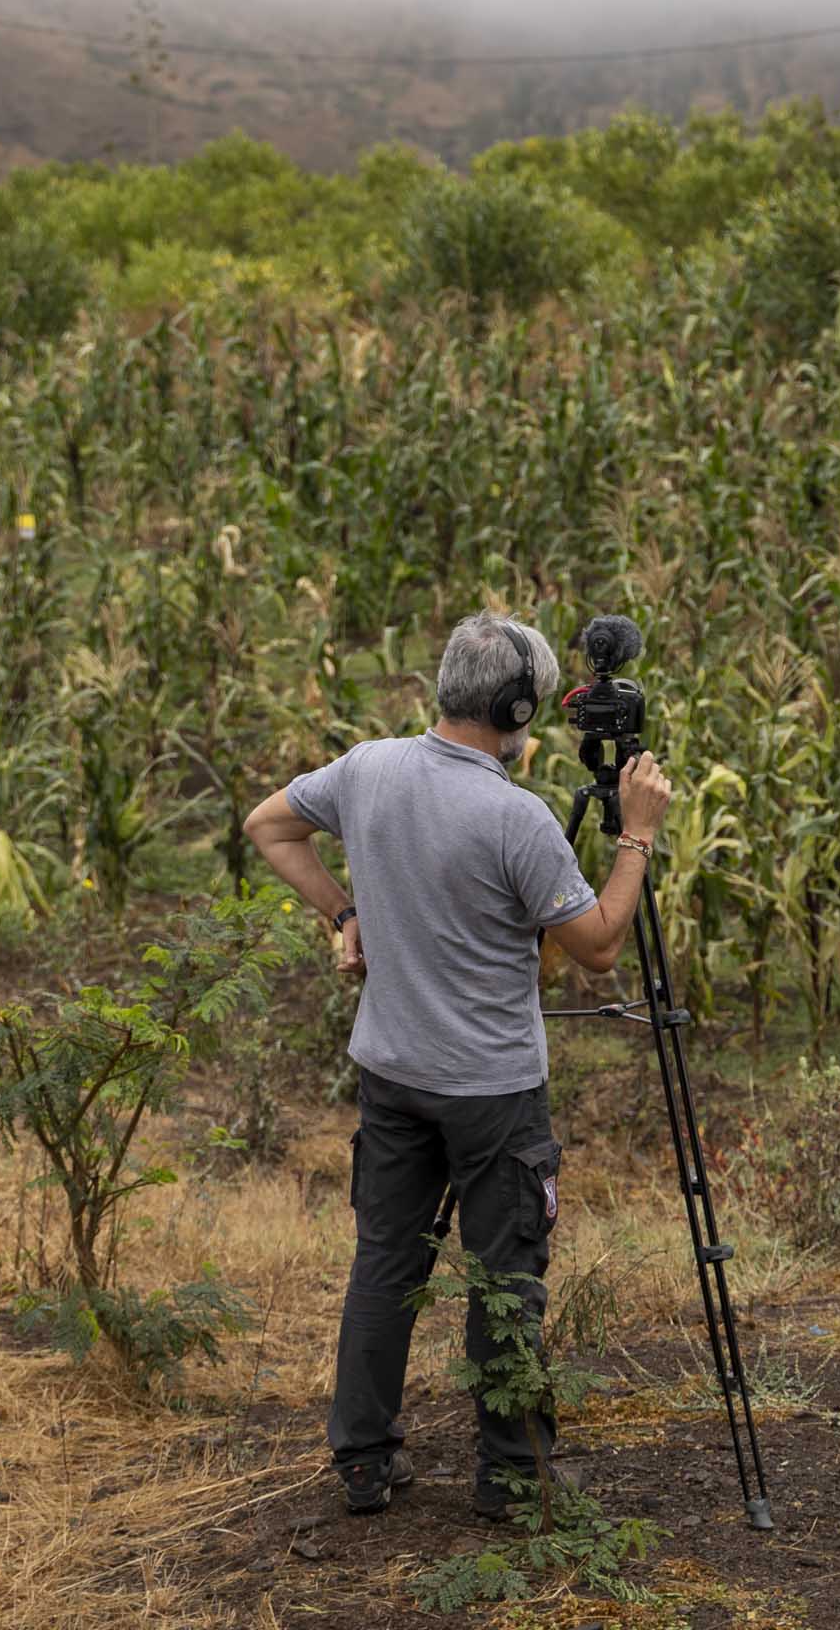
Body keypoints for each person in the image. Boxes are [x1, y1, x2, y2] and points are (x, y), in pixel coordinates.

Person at [244, 609, 673, 1521]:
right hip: (493, 1094)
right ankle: (513, 1479)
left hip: (393, 1075)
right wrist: (635, 834)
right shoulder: (515, 819)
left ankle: (363, 1460)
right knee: (506, 1276)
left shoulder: (366, 768)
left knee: (385, 1264)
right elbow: (597, 946)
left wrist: (343, 913)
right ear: (520, 707)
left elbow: (268, 826)